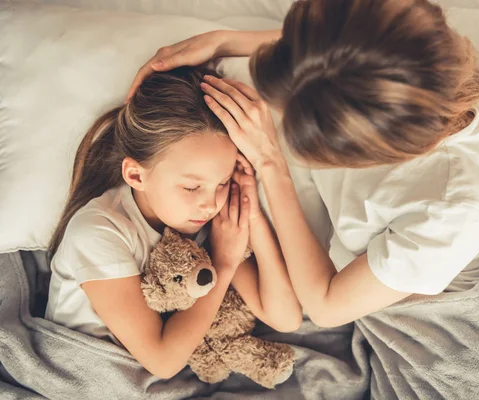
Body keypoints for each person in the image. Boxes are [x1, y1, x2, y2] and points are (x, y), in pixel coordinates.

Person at [127, 0, 479, 327]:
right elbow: (348, 45)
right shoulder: (420, 61)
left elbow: (325, 306)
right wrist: (224, 41)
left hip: (462, 322)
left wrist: (270, 163)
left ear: (359, 153)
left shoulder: (451, 210)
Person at [45, 66, 302, 380]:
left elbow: (286, 318)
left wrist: (251, 214)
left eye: (221, 182)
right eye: (191, 187)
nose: (209, 203)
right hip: (86, 374)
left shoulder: (204, 222)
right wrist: (222, 263)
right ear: (136, 175)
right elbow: (163, 361)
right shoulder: (99, 231)